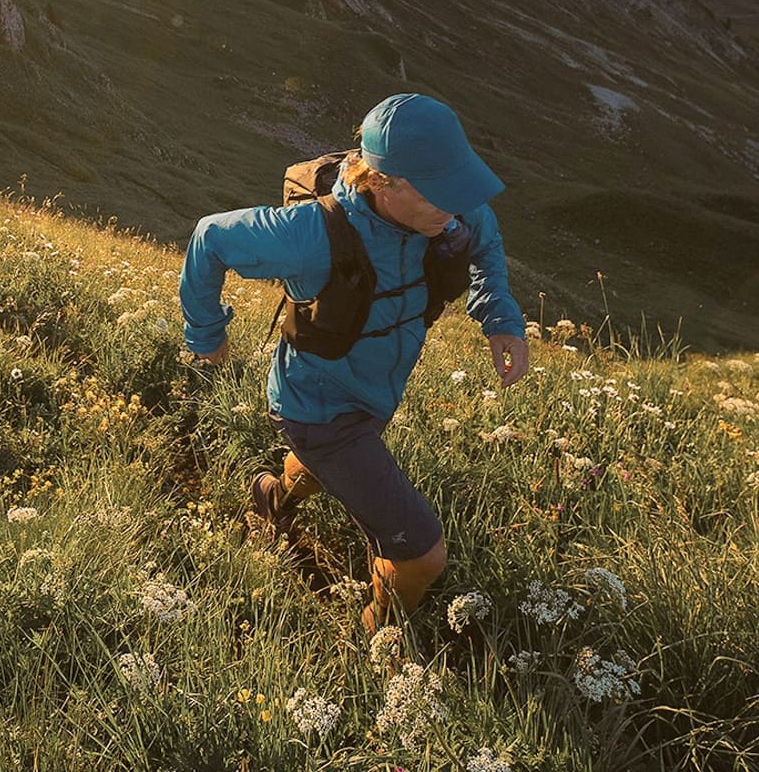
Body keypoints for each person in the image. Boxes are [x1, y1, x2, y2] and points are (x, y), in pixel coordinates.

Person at [178, 93, 529, 632]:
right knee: (422, 553)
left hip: (373, 396)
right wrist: (207, 336)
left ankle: (269, 498)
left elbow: (486, 238)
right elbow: (210, 237)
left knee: (323, 470)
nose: (455, 210)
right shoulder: (310, 235)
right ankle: (377, 637)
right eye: (440, 196)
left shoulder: (445, 213)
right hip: (315, 407)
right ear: (384, 183)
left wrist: (500, 318)